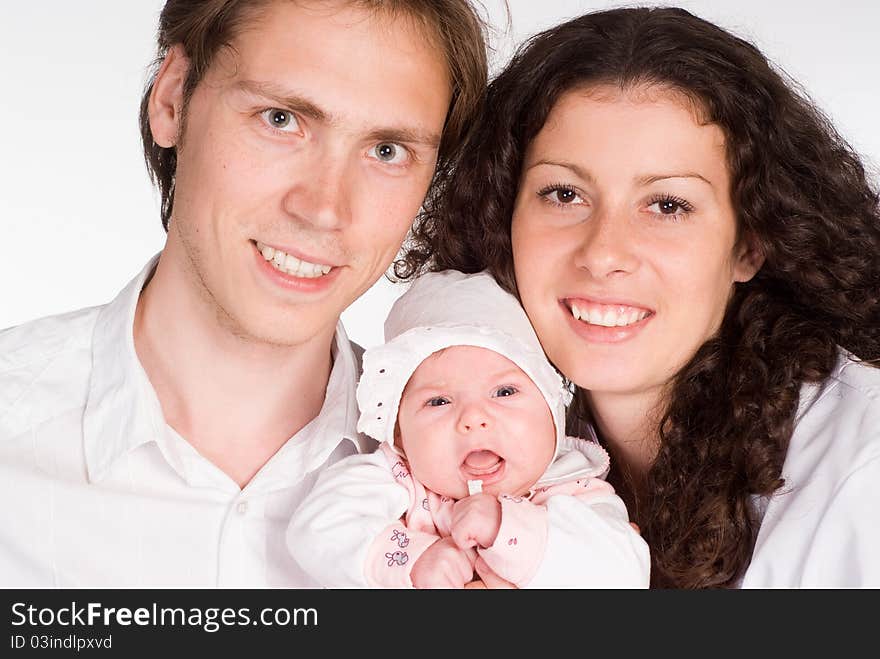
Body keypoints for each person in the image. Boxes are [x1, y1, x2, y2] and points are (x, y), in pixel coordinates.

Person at [0, 0, 488, 587]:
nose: (325, 209)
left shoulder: (499, 489)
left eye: (387, 151)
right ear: (172, 99)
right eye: (280, 119)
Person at [399, 7, 880, 588]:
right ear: (503, 217)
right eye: (563, 193)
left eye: (668, 205)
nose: (604, 253)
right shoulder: (444, 436)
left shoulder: (863, 475)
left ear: (750, 243)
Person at [287, 270, 649, 588]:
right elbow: (315, 529)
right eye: (439, 401)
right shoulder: (395, 477)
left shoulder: (575, 491)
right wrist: (416, 560)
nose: (474, 419)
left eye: (505, 392)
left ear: (553, 414)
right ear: (399, 433)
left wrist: (505, 529)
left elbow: (622, 574)